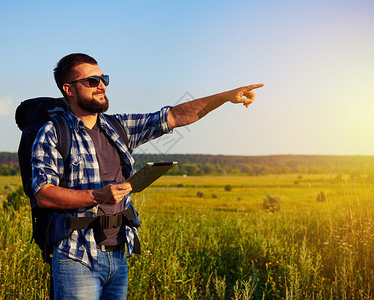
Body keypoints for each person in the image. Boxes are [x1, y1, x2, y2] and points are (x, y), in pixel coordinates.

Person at [31, 53, 263, 299]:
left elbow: (173, 116)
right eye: (92, 81)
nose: (102, 85)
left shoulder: (117, 127)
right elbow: (44, 194)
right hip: (76, 255)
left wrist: (225, 97)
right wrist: (97, 195)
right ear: (69, 89)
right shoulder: (53, 133)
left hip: (118, 252)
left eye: (104, 78)